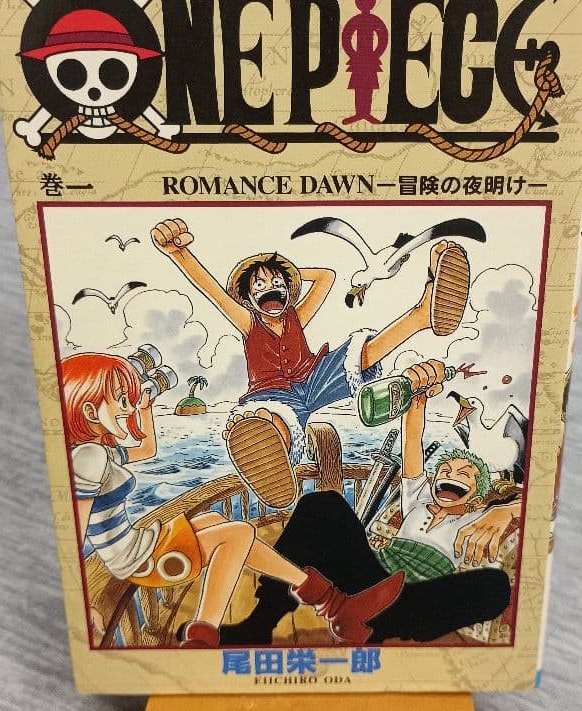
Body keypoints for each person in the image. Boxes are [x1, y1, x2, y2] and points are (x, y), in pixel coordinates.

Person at [62, 352, 405, 648]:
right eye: (122, 401)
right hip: (138, 559)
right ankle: (202, 636)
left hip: (143, 544)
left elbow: (147, 449)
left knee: (217, 522)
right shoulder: (90, 457)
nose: (128, 408)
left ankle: (335, 605)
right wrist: (79, 601)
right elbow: (74, 526)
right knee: (238, 534)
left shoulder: (98, 452)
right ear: (90, 410)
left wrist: (147, 406)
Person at [151, 217, 470, 509]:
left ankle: (422, 314)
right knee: (275, 420)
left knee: (356, 355)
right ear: (247, 299)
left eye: (277, 285)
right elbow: (211, 290)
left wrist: (287, 272)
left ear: (288, 292)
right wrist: (179, 253)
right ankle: (265, 448)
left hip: (314, 378)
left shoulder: (296, 316)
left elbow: (326, 277)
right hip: (274, 393)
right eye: (259, 286)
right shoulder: (249, 323)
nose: (270, 290)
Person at [221, 361, 517, 645]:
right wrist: (418, 395)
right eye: (445, 471)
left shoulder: (476, 519)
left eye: (463, 475)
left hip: (411, 600)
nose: (451, 476)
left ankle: (376, 620)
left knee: (496, 586)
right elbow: (412, 440)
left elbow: (527, 504)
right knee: (323, 504)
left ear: (477, 494)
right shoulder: (418, 498)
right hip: (369, 582)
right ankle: (259, 624)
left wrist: (503, 510)